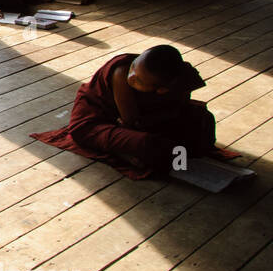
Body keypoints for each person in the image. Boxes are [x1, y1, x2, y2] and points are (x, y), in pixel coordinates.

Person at [30, 45, 218, 179]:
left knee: (203, 119)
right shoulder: (121, 72)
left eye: (139, 81)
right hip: (96, 122)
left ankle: (151, 150)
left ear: (161, 89)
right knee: (147, 143)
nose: (132, 76)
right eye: (134, 66)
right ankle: (125, 153)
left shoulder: (178, 78)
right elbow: (131, 121)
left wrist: (167, 118)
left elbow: (180, 107)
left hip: (148, 120)